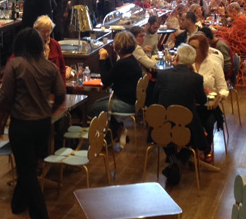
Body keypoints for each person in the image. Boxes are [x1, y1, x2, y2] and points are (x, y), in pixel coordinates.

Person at [0, 28, 65, 219]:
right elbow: (60, 94)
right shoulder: (49, 67)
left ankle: (40, 214)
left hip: (22, 123)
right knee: (31, 165)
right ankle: (18, 204)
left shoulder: (15, 65)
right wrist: (50, 112)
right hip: (43, 124)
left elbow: (6, 98)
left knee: (26, 171)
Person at [153, 44, 207, 185]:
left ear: (176, 57)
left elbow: (154, 98)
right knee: (195, 129)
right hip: (187, 126)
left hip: (161, 125)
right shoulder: (196, 78)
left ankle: (172, 159)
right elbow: (202, 101)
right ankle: (179, 159)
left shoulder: (162, 75)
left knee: (166, 129)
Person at [89, 31, 142, 146]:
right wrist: (107, 59)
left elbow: (106, 81)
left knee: (94, 108)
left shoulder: (122, 63)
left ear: (118, 47)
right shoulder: (132, 60)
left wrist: (102, 60)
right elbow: (113, 74)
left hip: (126, 104)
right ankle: (117, 129)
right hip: (132, 101)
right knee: (99, 103)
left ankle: (105, 138)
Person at [188, 34, 228, 163]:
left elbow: (223, 88)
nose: (190, 49)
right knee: (183, 117)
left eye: (194, 47)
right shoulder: (186, 64)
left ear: (204, 48)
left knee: (207, 121)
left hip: (208, 106)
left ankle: (205, 148)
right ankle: (189, 148)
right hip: (190, 104)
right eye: (188, 46)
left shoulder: (214, 65)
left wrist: (218, 98)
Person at [34, 15, 70, 83]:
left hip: (54, 83)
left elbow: (62, 69)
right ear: (36, 30)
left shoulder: (55, 45)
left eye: (49, 31)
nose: (47, 34)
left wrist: (62, 87)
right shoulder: (31, 44)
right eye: (43, 32)